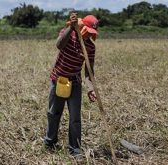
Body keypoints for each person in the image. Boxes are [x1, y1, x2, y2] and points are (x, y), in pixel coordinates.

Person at [43, 13, 98, 155]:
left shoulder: (90, 48)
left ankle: (75, 149)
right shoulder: (68, 34)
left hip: (74, 83)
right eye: (87, 31)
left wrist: (91, 89)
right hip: (58, 80)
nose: (88, 35)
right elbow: (59, 45)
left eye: (91, 33)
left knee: (75, 118)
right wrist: (71, 28)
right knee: (53, 113)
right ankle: (50, 142)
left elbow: (88, 73)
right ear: (82, 27)